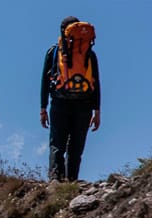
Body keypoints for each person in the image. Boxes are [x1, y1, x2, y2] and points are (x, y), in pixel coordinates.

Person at [40, 16, 101, 182]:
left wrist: (43, 108)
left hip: (60, 102)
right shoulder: (89, 54)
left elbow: (45, 81)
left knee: (57, 144)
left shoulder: (53, 52)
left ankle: (55, 180)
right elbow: (96, 82)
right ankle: (72, 180)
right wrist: (97, 111)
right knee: (76, 146)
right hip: (85, 104)